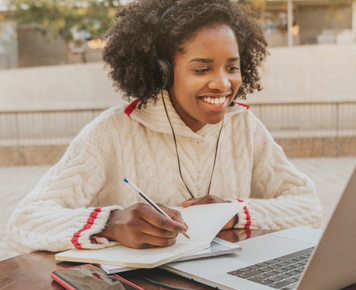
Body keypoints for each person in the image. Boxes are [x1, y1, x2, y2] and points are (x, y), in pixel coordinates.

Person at [7, 0, 322, 254]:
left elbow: (309, 207)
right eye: (202, 69)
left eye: (232, 67)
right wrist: (110, 223)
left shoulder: (245, 128)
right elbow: (23, 224)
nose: (224, 83)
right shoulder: (110, 133)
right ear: (163, 73)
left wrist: (237, 211)